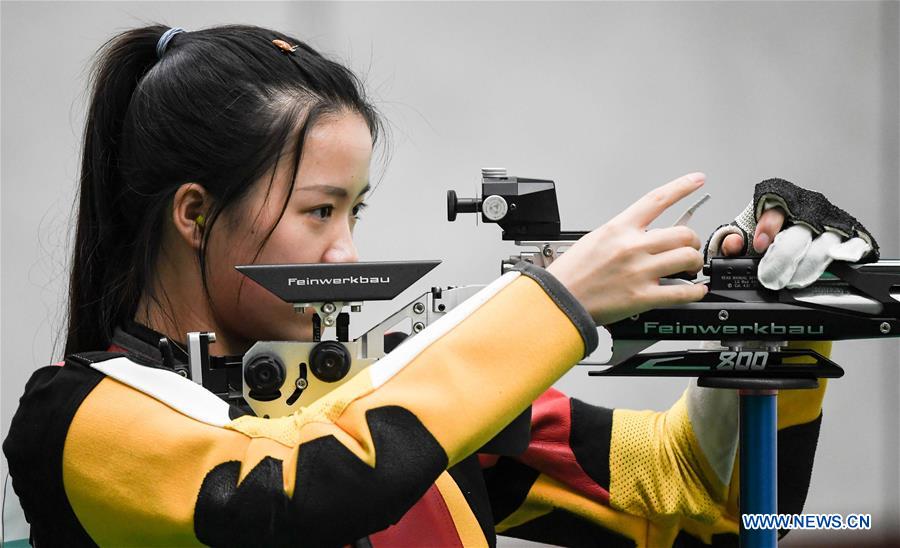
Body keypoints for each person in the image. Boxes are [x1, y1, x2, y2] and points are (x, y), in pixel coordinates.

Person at [1, 24, 850, 547]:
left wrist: (771, 318)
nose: (343, 253)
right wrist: (561, 304)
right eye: (318, 211)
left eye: (355, 213)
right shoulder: (76, 417)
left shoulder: (411, 402)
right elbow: (290, 487)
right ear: (193, 213)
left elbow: (709, 508)